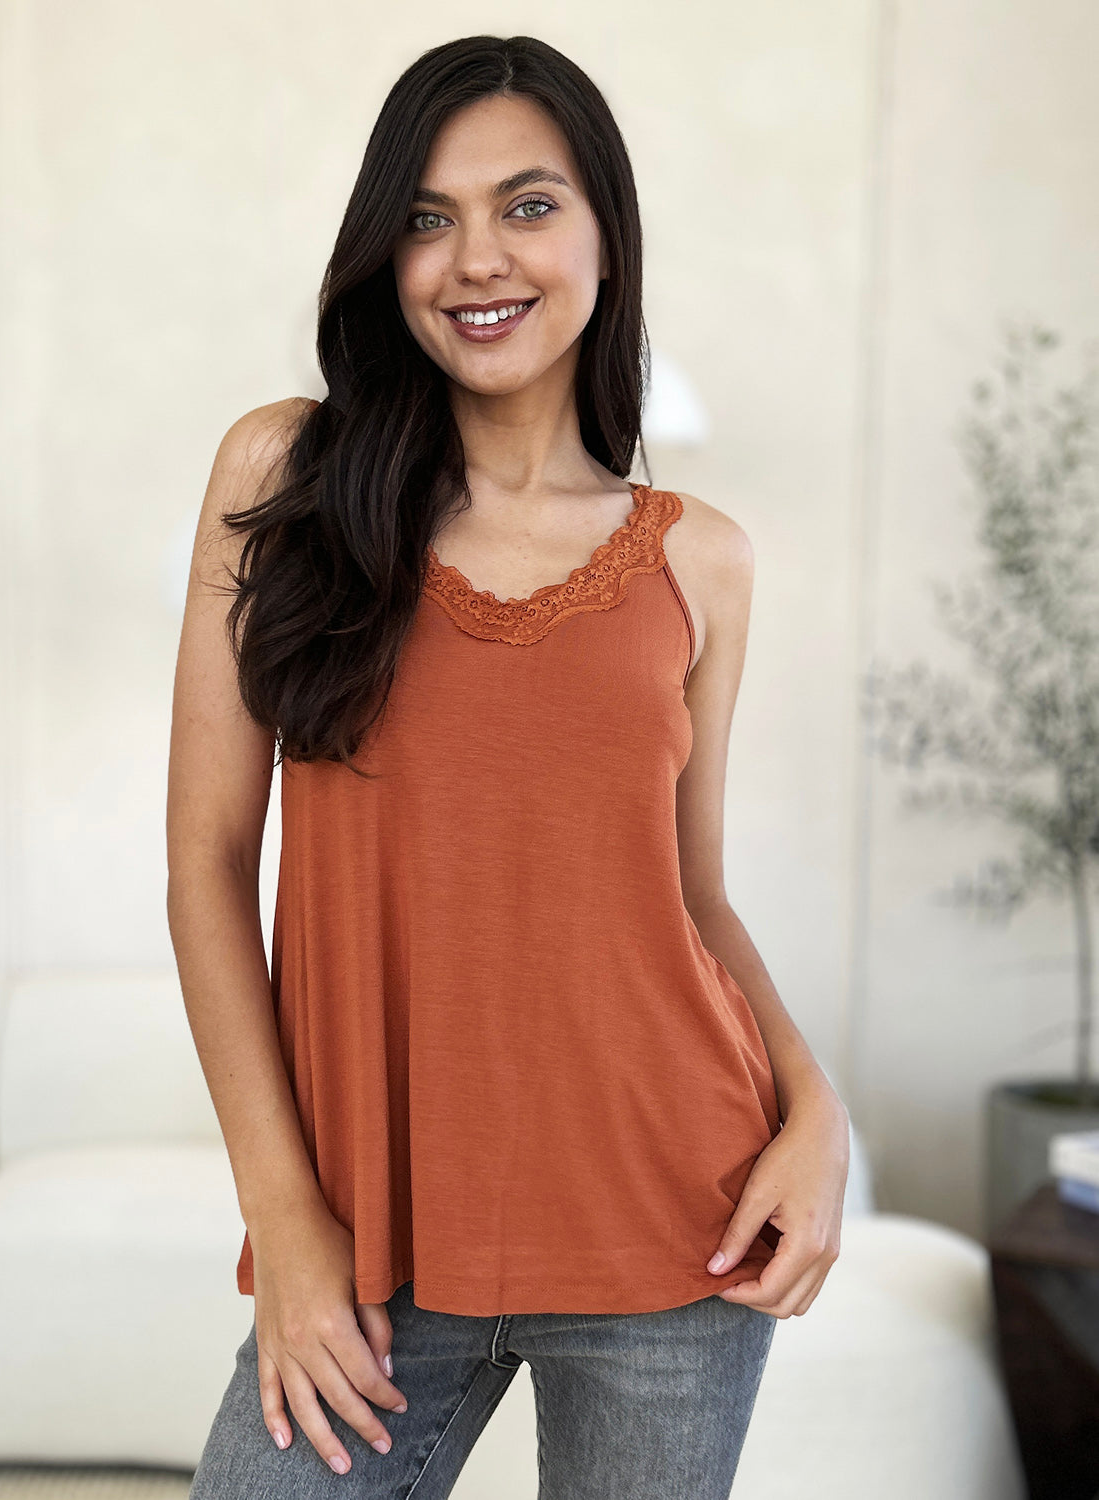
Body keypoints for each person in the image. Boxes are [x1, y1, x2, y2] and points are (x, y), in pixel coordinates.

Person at [168, 33, 850, 1500]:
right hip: (372, 1246)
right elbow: (206, 866)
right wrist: (285, 1222)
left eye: (527, 205)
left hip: (678, 1237)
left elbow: (690, 896)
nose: (476, 257)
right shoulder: (280, 478)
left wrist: (815, 1111)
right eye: (427, 218)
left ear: (606, 231)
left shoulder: (702, 561)